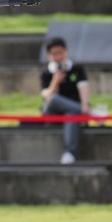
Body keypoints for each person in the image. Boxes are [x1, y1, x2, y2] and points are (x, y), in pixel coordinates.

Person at [40, 37, 90, 165]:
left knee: (72, 114)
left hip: (71, 112)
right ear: (49, 55)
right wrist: (55, 82)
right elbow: (48, 97)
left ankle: (69, 153)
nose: (58, 56)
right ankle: (90, 114)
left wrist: (85, 104)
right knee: (55, 99)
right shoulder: (46, 73)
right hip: (52, 111)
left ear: (66, 52)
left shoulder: (77, 69)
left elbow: (83, 87)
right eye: (54, 54)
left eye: (60, 53)